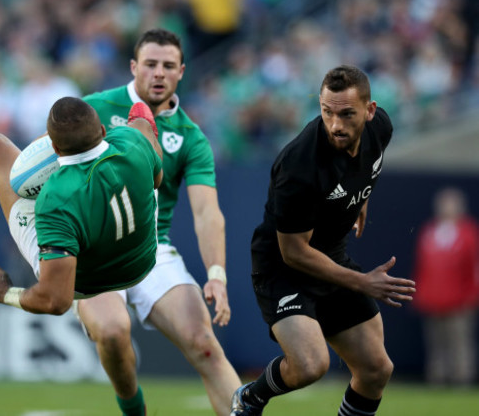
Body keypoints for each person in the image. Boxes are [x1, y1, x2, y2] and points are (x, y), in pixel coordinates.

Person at [0, 31, 163, 314]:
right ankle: (143, 119)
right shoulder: (131, 144)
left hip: (85, 283)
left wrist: (6, 293)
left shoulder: (55, 198)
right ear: (102, 131)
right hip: (144, 259)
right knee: (140, 128)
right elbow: (156, 179)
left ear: (53, 148)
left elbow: (57, 300)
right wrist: (142, 121)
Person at [231, 65, 417, 416]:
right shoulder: (299, 165)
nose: (335, 124)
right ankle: (251, 396)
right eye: (327, 112)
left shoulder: (382, 129)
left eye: (347, 114)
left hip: (330, 256)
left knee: (377, 369)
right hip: (283, 270)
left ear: (370, 110)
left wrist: (360, 198)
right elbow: (294, 252)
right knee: (310, 365)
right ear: (319, 105)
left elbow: (364, 166)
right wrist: (363, 282)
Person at [79, 28, 241, 416]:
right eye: (150, 64)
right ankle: (134, 409)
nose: (159, 73)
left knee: (204, 343)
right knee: (114, 333)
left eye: (168, 66)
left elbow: (206, 212)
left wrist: (216, 273)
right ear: (134, 66)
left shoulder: (191, 137)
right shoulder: (93, 109)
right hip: (94, 251)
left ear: (181, 71)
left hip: (151, 249)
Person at [412, 187, 479, 386]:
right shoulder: (429, 232)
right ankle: (437, 379)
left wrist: (471, 297)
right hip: (433, 299)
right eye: (443, 204)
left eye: (451, 204)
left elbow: (474, 268)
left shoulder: (469, 233)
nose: (446, 208)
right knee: (436, 343)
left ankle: (461, 379)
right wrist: (421, 294)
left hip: (460, 301)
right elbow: (422, 266)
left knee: (460, 342)